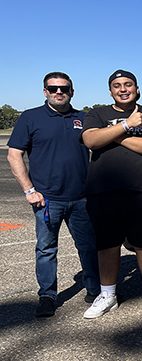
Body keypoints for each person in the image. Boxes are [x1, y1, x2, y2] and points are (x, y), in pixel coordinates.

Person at [7, 72, 100, 317]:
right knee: (47, 249)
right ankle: (47, 295)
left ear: (72, 91)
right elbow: (14, 155)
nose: (59, 92)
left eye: (64, 88)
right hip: (47, 199)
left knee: (89, 246)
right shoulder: (30, 117)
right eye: (53, 88)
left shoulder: (83, 118)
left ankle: (95, 288)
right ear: (45, 91)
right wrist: (29, 190)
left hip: (81, 198)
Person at [80, 70, 142, 319]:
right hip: (103, 190)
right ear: (110, 91)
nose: (123, 89)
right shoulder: (97, 113)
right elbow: (90, 141)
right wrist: (126, 126)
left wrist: (114, 135)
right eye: (117, 86)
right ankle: (108, 295)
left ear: (137, 89)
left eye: (128, 84)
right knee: (106, 244)